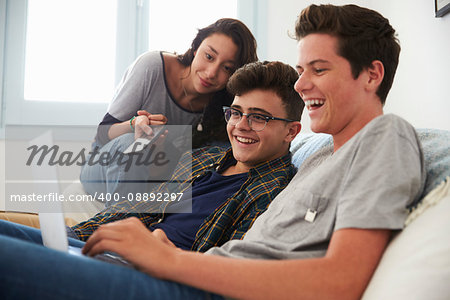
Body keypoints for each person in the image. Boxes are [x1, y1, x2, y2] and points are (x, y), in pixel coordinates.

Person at [0, 4, 426, 300]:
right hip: (173, 270)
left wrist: (165, 258)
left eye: (319, 70)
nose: (301, 85)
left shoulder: (386, 137)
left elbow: (341, 283)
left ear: (372, 75)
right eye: (300, 71)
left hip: (189, 286)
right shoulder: (317, 156)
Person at [80, 18, 258, 200]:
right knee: (132, 144)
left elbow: (173, 171)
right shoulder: (152, 67)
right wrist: (135, 125)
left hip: (155, 178)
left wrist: (158, 150)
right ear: (196, 47)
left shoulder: (224, 107)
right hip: (103, 166)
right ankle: (120, 222)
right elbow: (103, 134)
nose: (211, 72)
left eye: (227, 67)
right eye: (209, 56)